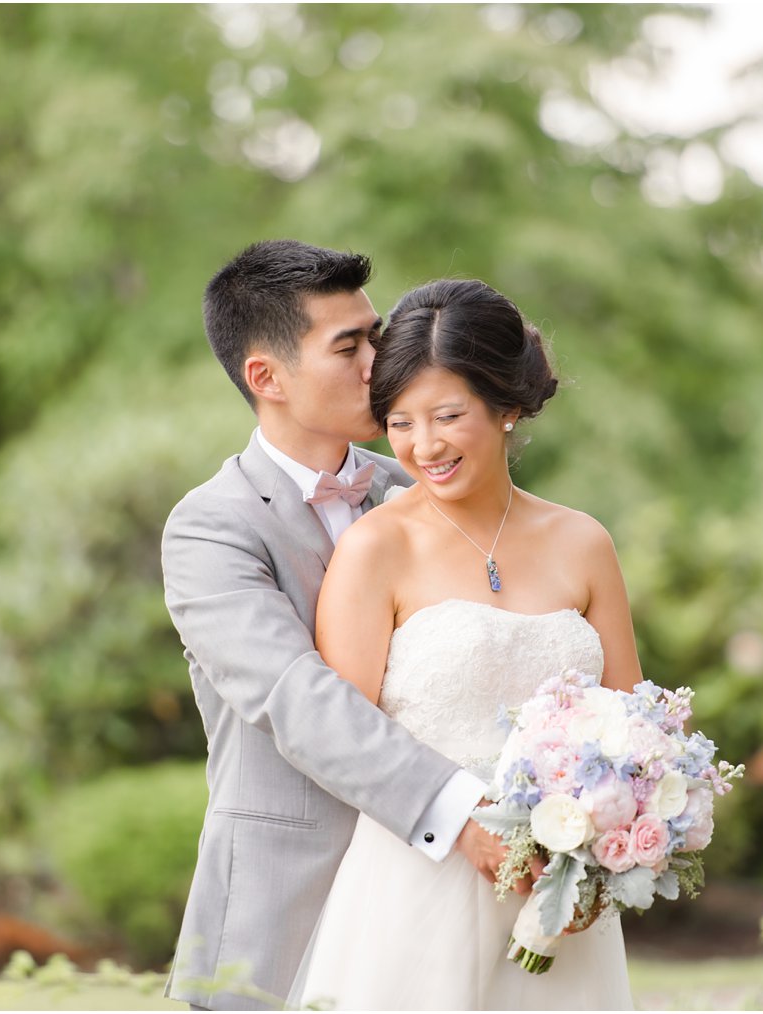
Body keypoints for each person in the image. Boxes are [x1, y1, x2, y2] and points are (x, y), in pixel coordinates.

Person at [160, 242, 515, 1011]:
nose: (379, 361)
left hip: (435, 907)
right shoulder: (209, 530)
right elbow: (295, 697)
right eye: (348, 346)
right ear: (266, 377)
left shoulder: (417, 482)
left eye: (375, 335)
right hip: (285, 909)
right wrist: (461, 811)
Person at [292, 278, 637, 1010]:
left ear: (507, 405)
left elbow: (636, 722)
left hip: (560, 899)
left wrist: (601, 849)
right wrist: (462, 824)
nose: (424, 446)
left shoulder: (583, 542)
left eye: (448, 416)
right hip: (417, 888)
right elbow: (344, 740)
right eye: (401, 421)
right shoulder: (374, 548)